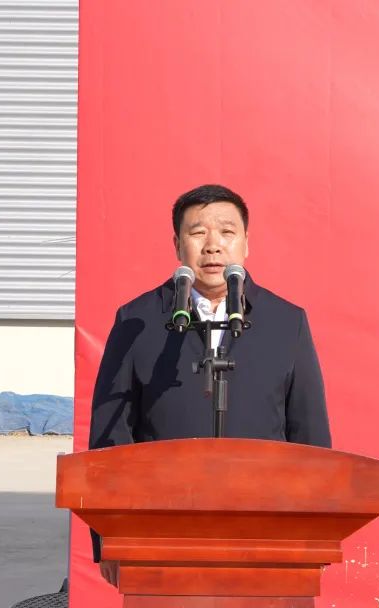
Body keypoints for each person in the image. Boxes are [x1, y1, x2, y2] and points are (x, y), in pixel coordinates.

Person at [88, 184, 331, 584]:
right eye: (198, 233)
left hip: (264, 532)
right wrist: (110, 539)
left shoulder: (286, 322)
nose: (213, 246)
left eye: (227, 232)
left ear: (247, 243)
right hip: (162, 531)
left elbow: (309, 434)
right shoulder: (137, 321)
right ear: (177, 244)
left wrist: (313, 540)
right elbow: (110, 437)